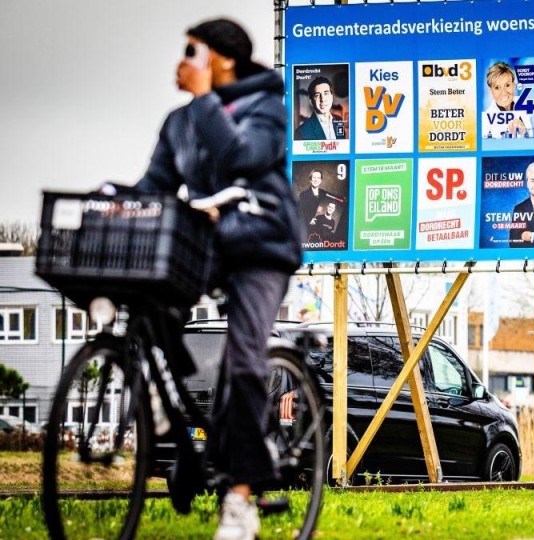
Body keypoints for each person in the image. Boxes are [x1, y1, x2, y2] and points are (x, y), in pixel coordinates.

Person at [134, 18, 301, 540]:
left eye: (193, 51)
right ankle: (174, 419)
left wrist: (206, 100)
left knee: (245, 360)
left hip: (262, 246)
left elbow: (241, 158)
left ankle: (241, 498)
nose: (182, 61)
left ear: (222, 60)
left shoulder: (267, 108)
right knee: (151, 305)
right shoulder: (180, 122)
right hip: (209, 246)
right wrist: (120, 202)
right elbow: (155, 184)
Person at [482, 62, 533, 139]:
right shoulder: (486, 121)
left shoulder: (525, 103)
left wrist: (524, 132)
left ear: (514, 85)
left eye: (507, 85)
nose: (504, 92)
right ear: (491, 91)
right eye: (497, 87)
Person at [294, 75, 346, 140]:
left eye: (326, 93)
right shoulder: (301, 132)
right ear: (311, 101)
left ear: (331, 96)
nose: (323, 99)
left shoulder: (339, 120)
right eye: (317, 95)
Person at [298, 169, 342, 235]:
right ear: (310, 180)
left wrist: (343, 199)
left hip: (322, 229)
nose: (316, 180)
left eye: (318, 178)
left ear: (321, 180)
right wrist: (309, 220)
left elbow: (336, 199)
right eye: (314, 177)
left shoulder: (324, 193)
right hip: (309, 229)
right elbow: (300, 212)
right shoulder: (303, 195)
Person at [508, 161, 534, 248]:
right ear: (527, 182)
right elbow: (514, 243)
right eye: (533, 180)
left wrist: (532, 236)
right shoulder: (519, 209)